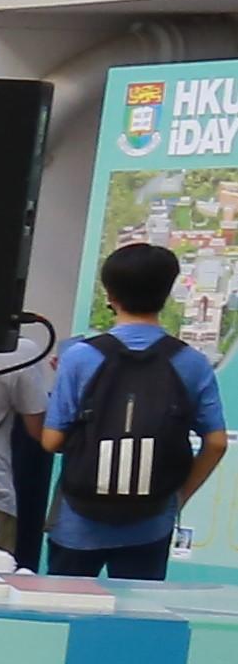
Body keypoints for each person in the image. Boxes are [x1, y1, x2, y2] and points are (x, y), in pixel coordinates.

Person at [35, 238, 230, 578]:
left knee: (67, 611)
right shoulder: (191, 362)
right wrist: (176, 500)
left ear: (111, 295)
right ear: (166, 294)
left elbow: (52, 441)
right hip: (152, 521)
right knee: (138, 615)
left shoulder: (80, 357)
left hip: (78, 520)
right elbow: (215, 443)